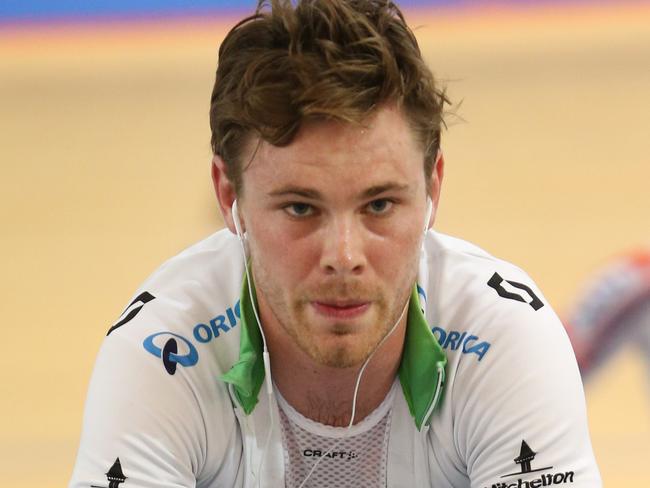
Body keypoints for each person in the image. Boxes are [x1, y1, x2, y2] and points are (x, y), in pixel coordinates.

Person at [69, 1, 601, 486]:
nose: (344, 257)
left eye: (379, 205)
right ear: (229, 195)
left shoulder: (501, 335)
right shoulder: (163, 353)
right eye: (301, 208)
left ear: (433, 186)